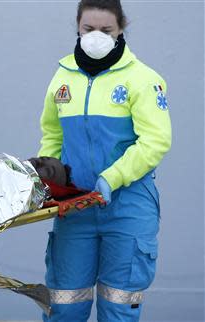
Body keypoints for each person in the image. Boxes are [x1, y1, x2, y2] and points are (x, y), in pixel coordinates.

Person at [37, 0, 171, 321]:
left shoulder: (142, 79)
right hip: (75, 209)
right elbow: (52, 137)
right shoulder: (62, 78)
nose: (96, 36)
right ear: (78, 28)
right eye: (89, 29)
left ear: (121, 28)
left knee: (118, 307)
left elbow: (156, 141)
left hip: (127, 209)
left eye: (106, 30)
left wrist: (112, 177)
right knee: (65, 305)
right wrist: (47, 180)